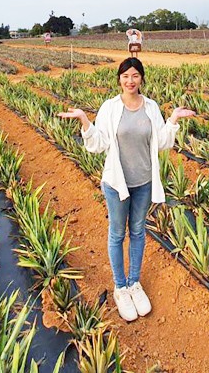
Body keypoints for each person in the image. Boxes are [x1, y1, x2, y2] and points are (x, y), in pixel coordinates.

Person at [58, 58, 194, 322]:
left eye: (135, 76)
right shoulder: (110, 108)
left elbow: (162, 142)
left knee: (139, 231)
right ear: (119, 79)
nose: (130, 81)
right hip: (116, 184)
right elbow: (98, 144)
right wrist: (85, 121)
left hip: (144, 182)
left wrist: (174, 119)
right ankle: (120, 287)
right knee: (118, 234)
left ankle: (134, 283)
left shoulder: (151, 107)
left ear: (142, 78)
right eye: (125, 76)